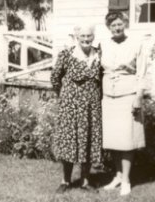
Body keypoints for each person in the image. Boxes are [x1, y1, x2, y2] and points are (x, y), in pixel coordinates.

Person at [100, 11, 148, 196]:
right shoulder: (103, 45)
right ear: (108, 28)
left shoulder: (136, 44)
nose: (117, 28)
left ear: (125, 24)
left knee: (127, 139)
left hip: (128, 95)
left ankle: (126, 179)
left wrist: (138, 97)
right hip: (108, 96)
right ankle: (118, 176)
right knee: (113, 139)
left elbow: (142, 72)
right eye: (113, 25)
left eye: (120, 24)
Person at [50, 23, 102, 193]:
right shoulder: (67, 54)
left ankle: (86, 181)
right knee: (69, 141)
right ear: (77, 38)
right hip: (70, 106)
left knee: (88, 141)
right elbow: (55, 77)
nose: (86, 39)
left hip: (91, 106)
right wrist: (66, 96)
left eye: (89, 36)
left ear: (93, 37)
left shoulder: (99, 54)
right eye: (82, 37)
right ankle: (65, 181)